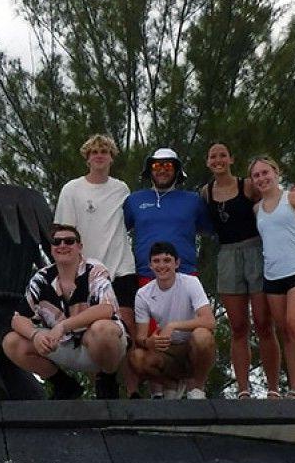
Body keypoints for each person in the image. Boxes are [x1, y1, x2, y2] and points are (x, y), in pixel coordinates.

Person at [54, 134, 138, 398]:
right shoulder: (72, 189)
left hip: (121, 268)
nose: (99, 155)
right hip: (87, 273)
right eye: (94, 152)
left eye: (104, 151)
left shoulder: (122, 189)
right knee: (93, 332)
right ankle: (102, 391)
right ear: (87, 157)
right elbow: (63, 230)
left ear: (112, 157)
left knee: (127, 331)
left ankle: (134, 392)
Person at [2, 224, 128, 400]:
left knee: (103, 330)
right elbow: (18, 319)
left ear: (79, 247)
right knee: (11, 342)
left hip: (98, 345)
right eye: (56, 242)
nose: (62, 245)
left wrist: (63, 326)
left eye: (69, 241)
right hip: (65, 346)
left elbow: (106, 308)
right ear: (51, 249)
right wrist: (35, 336)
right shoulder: (41, 278)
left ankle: (107, 379)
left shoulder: (94, 269)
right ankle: (64, 385)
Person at [200, 142, 282, 399]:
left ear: (231, 159)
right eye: (213, 156)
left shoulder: (246, 185)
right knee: (237, 326)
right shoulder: (205, 192)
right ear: (208, 162)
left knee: (263, 323)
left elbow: (271, 202)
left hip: (255, 251)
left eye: (223, 155)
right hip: (227, 254)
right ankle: (243, 389)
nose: (218, 160)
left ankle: (273, 388)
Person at [249, 156, 295, 399]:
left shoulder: (294, 197)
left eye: (265, 172)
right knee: (284, 331)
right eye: (256, 175)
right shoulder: (257, 209)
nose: (262, 178)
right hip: (273, 277)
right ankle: (293, 386)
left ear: (276, 173)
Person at [129, 242, 217, 400]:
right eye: (156, 261)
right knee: (137, 358)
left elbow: (209, 321)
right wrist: (149, 342)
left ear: (177, 263)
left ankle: (197, 388)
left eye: (167, 260)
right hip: (167, 349)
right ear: (150, 265)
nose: (161, 266)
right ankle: (171, 384)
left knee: (203, 336)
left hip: (191, 347)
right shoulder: (143, 294)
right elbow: (140, 337)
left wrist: (174, 325)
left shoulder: (190, 282)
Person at [122, 148, 210, 282]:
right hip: (145, 276)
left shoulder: (193, 200)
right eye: (156, 166)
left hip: (185, 275)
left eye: (168, 166)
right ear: (150, 170)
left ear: (177, 170)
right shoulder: (134, 200)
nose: (162, 170)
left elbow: (208, 231)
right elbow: (119, 233)